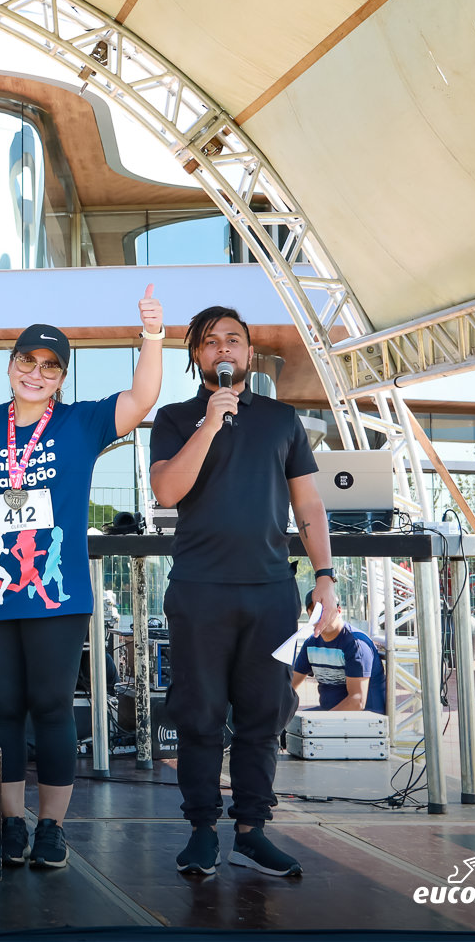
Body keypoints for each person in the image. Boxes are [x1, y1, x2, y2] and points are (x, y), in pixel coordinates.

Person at [0, 288, 164, 871]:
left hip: (57, 592)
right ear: (10, 364)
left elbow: (142, 397)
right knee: (1, 707)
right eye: (28, 361)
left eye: (50, 366)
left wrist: (152, 335)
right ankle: (9, 822)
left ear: (62, 377)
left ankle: (51, 826)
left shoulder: (81, 422)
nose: (37, 373)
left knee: (50, 706)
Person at [149, 305, 337, 878]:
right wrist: (210, 424)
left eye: (234, 339)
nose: (223, 349)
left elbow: (308, 503)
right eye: (211, 341)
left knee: (264, 714)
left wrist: (325, 577)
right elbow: (166, 492)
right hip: (199, 590)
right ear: (196, 356)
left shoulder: (282, 420)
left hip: (271, 592)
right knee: (199, 714)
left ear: (250, 353)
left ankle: (251, 832)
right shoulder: (175, 419)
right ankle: (202, 832)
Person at [291, 603, 386, 713]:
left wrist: (321, 721)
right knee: (288, 721)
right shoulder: (311, 643)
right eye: (316, 613)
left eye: (326, 611)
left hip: (365, 717)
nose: (322, 617)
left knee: (297, 721)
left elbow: (357, 702)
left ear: (339, 611)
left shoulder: (356, 644)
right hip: (332, 714)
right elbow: (290, 686)